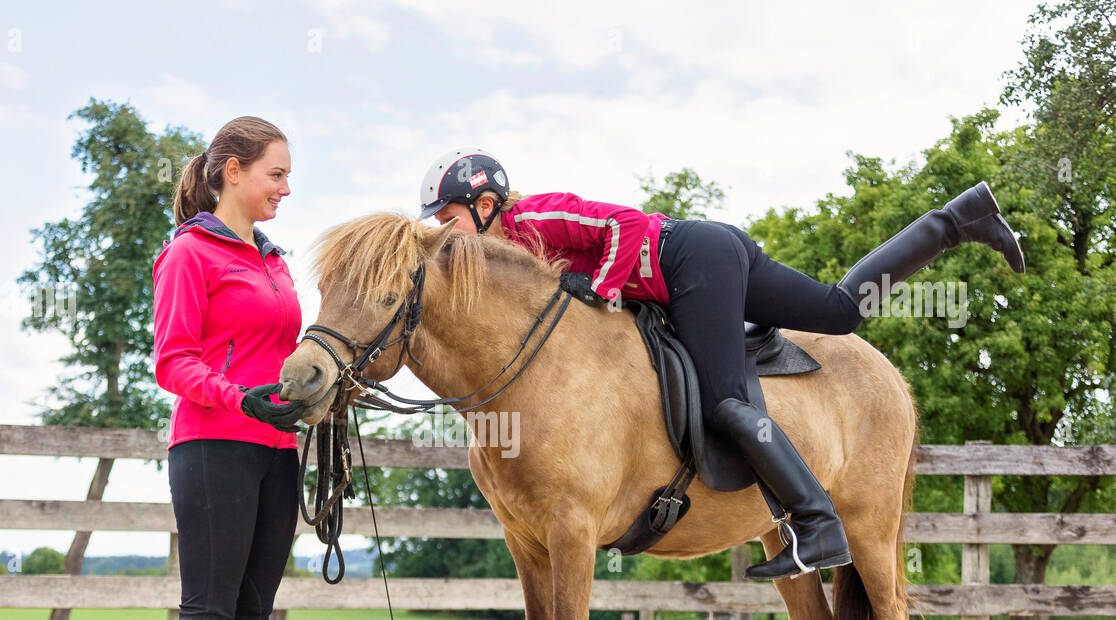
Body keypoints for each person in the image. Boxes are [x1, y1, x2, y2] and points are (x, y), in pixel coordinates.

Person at [418, 147, 1025, 579]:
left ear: (489, 203)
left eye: (448, 221)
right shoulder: (508, 260)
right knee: (840, 312)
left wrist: (602, 289)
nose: (445, 237)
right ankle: (958, 218)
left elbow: (626, 225)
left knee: (726, 402)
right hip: (707, 257)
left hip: (691, 262)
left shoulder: (533, 219)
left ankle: (817, 525)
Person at [152, 116, 305, 620]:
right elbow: (173, 362)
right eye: (275, 173)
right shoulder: (190, 255)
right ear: (233, 171)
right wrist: (241, 397)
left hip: (277, 452)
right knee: (207, 611)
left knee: (251, 616)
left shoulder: (273, 258)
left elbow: (278, 357)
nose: (285, 187)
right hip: (214, 444)